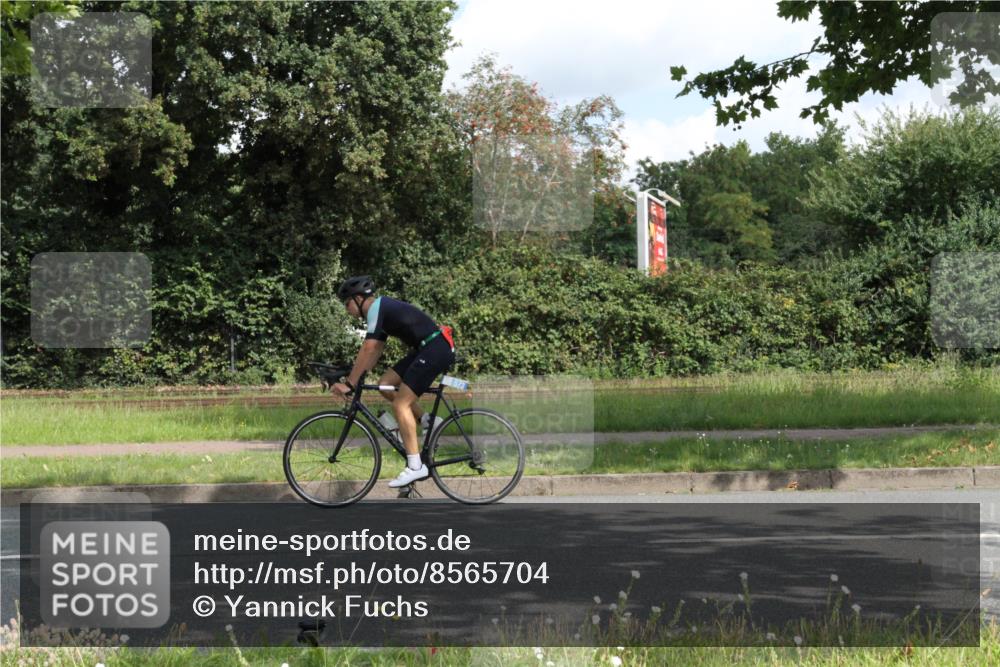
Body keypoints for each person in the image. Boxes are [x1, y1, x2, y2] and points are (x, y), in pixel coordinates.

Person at [331, 275, 455, 488]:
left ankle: (415, 467)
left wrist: (350, 383)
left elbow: (368, 348)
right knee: (385, 384)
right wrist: (358, 378)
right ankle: (428, 421)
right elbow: (375, 350)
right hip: (427, 348)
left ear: (359, 299)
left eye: (347, 303)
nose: (346, 309)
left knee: (400, 405)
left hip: (434, 348)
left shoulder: (376, 308)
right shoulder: (380, 311)